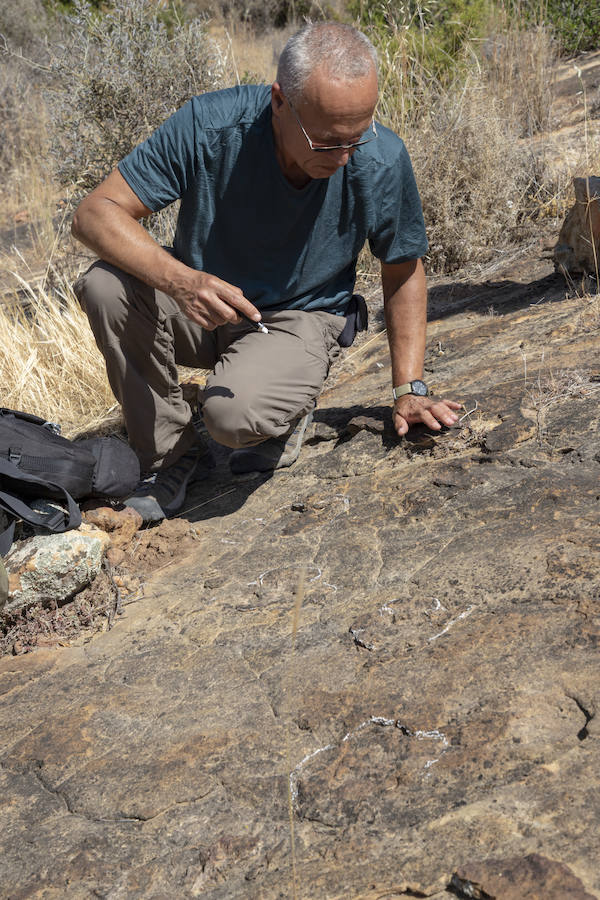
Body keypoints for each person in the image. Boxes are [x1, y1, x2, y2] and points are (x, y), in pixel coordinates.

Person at [72, 22, 461, 523]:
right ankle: (168, 457)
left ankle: (282, 413)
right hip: (204, 301)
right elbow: (94, 213)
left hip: (297, 316)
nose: (344, 159)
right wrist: (181, 281)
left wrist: (409, 389)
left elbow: (402, 269)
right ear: (280, 101)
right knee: (105, 284)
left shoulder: (381, 158)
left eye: (356, 138)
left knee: (229, 419)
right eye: (326, 143)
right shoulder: (209, 125)